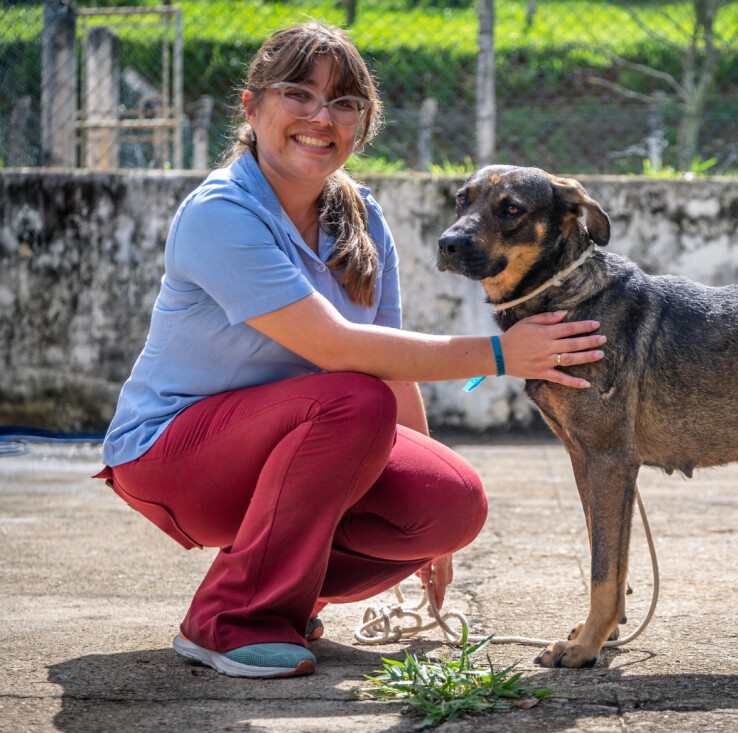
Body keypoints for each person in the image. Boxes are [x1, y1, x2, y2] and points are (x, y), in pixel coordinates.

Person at [93, 21, 604, 680]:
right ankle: (228, 618)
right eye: (298, 94)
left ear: (363, 123)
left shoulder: (361, 215)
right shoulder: (220, 212)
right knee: (350, 395)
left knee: (453, 502)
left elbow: (392, 371)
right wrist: (504, 354)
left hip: (287, 443)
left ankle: (284, 597)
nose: (321, 116)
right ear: (252, 107)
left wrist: (428, 522)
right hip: (170, 457)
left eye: (343, 102)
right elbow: (340, 348)